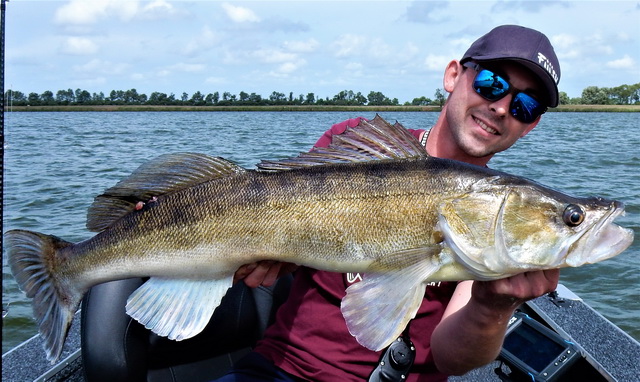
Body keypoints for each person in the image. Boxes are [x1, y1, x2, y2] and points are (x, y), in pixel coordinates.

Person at [219, 24, 562, 381]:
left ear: (531, 125)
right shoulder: (355, 150)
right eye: (492, 82)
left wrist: (493, 304)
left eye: (526, 105)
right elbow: (272, 216)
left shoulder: (501, 215)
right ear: (453, 75)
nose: (502, 107)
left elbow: (452, 360)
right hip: (287, 370)